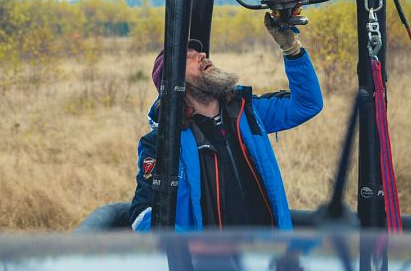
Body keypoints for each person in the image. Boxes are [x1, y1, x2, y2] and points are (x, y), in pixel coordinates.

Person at [129, 13, 323, 230]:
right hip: (210, 263)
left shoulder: (247, 111)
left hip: (270, 257)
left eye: (199, 52)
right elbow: (142, 214)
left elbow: (307, 104)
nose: (202, 55)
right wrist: (189, 250)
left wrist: (292, 50)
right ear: (174, 82)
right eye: (188, 57)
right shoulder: (162, 143)